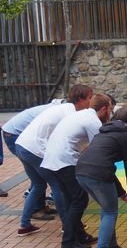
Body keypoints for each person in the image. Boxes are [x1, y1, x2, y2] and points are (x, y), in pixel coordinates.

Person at [14, 85, 93, 237]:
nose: (90, 103)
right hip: (35, 149)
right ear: (82, 99)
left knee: (38, 184)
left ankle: (24, 225)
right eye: (89, 98)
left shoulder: (62, 108)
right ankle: (66, 225)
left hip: (22, 145)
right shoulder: (70, 113)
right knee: (58, 185)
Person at [41, 93, 113, 248]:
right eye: (110, 109)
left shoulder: (81, 114)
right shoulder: (93, 121)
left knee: (71, 199)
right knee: (79, 200)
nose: (110, 114)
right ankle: (67, 242)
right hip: (64, 160)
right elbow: (99, 148)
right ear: (103, 109)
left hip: (52, 158)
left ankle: (80, 235)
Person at [76, 107, 127, 248]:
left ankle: (111, 246)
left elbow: (107, 166)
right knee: (110, 211)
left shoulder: (103, 132)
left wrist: (121, 192)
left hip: (81, 171)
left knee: (107, 209)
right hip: (98, 174)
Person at [2, 99, 66, 218]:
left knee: (38, 178)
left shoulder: (56, 108)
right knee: (41, 176)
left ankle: (35, 210)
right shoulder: (57, 111)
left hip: (15, 134)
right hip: (16, 135)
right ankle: (37, 209)